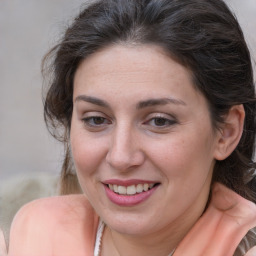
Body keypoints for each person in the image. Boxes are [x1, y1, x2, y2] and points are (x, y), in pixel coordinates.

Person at [7, 0, 256, 255]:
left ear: (226, 132)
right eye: (96, 119)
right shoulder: (30, 235)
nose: (121, 157)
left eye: (159, 121)